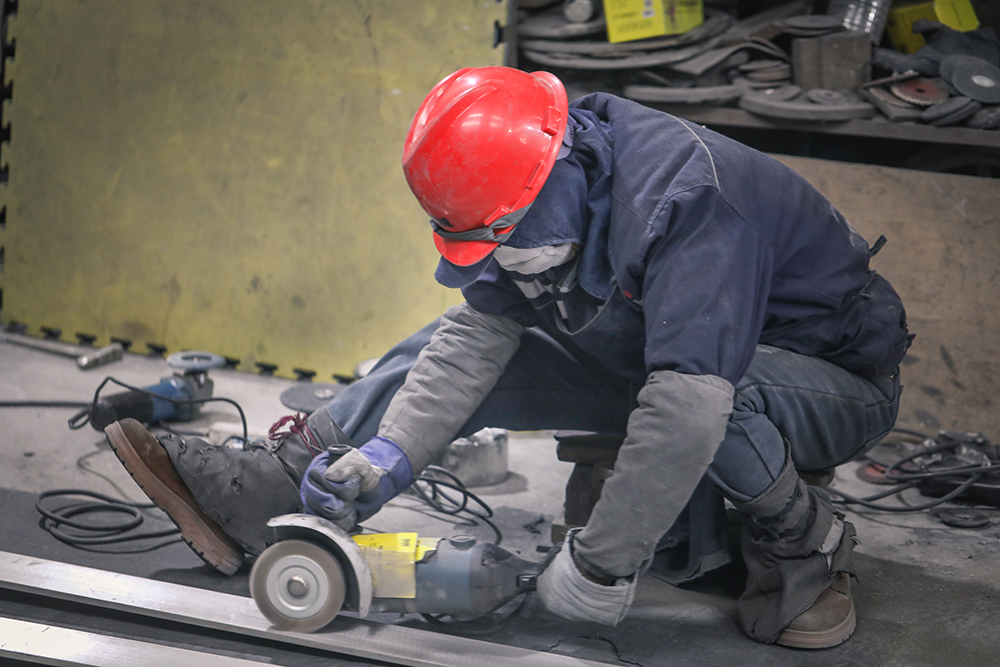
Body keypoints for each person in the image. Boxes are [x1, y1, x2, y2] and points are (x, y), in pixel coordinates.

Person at [105, 66, 911, 649]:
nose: (496, 257)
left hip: (828, 381)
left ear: (557, 176)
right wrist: (388, 455)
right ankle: (291, 479)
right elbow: (475, 336)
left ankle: (806, 543)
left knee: (716, 401)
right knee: (460, 332)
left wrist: (599, 563)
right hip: (680, 358)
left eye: (500, 236)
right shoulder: (545, 182)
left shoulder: (688, 203)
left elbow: (689, 402)